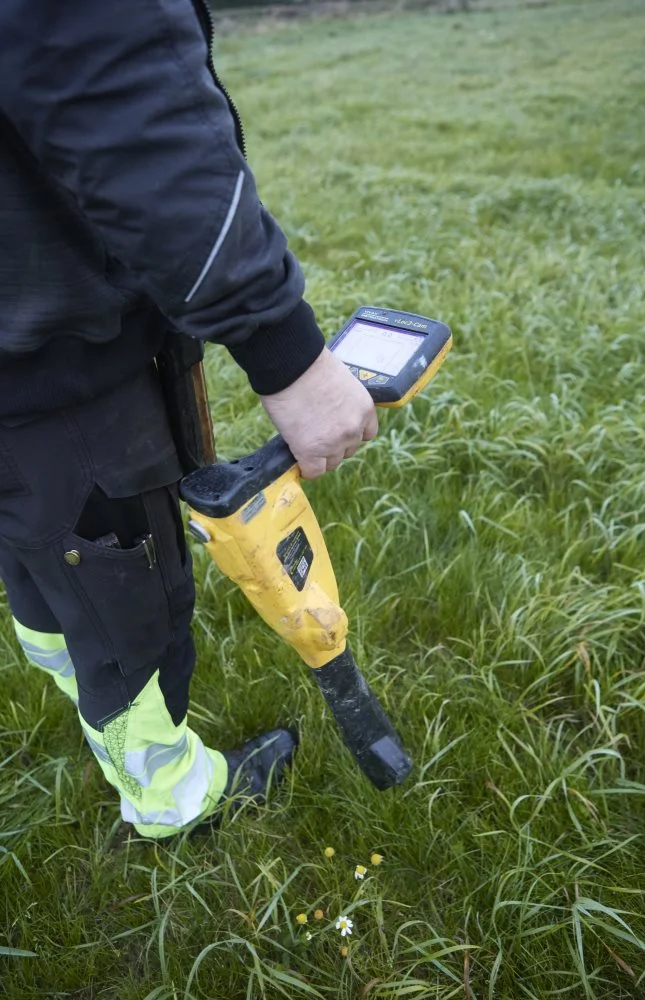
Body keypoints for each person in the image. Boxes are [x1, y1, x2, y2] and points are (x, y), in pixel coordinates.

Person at [0, 1, 378, 839]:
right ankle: (171, 798)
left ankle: (88, 701)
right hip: (58, 354)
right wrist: (289, 357)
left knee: (40, 564)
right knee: (127, 603)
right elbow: (128, 112)